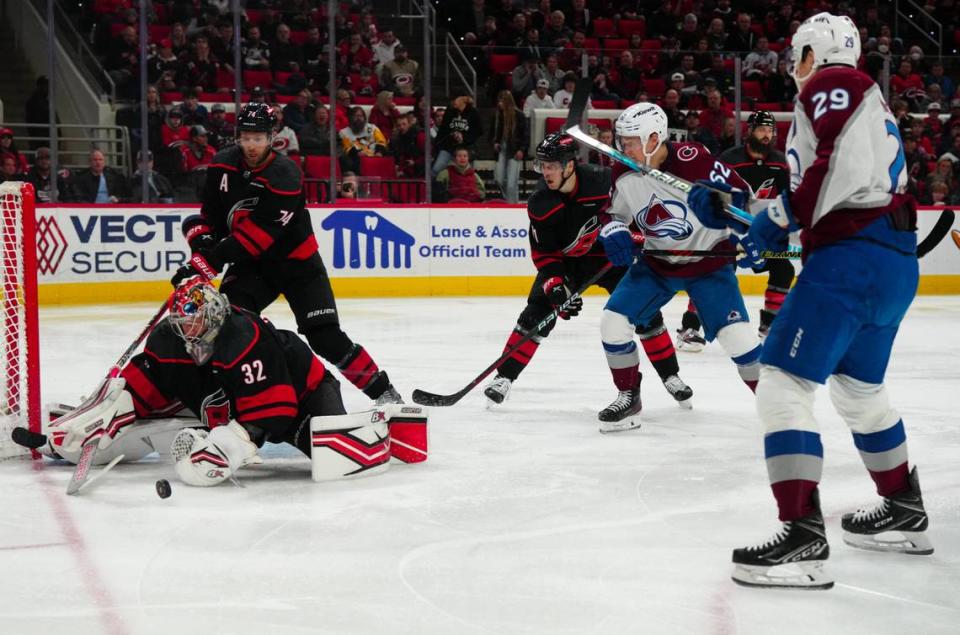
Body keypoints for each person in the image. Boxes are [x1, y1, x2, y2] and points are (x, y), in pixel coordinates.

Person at [688, 13, 932, 590]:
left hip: (852, 260)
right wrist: (748, 218)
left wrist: (781, 215)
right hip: (888, 261)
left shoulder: (833, 83)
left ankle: (802, 535)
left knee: (780, 383)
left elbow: (830, 171)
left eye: (796, 55)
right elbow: (835, 184)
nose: (791, 68)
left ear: (812, 53)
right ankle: (904, 508)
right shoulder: (863, 100)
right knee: (860, 389)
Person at [170, 103, 403, 404]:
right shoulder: (222, 165)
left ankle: (384, 393)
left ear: (271, 138)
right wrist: (200, 244)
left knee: (325, 337)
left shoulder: (285, 174)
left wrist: (208, 261)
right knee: (226, 327)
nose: (251, 146)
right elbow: (210, 217)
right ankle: (229, 397)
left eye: (258, 138)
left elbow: (258, 237)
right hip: (252, 267)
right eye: (246, 137)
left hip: (298, 264)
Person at [483, 132, 693, 414]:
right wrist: (555, 285)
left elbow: (637, 209)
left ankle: (671, 376)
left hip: (611, 259)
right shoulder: (541, 203)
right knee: (536, 314)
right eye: (543, 165)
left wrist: (636, 236)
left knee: (644, 313)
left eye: (552, 165)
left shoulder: (604, 181)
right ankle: (503, 378)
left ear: (570, 165)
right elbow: (545, 253)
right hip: (568, 265)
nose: (546, 172)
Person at [596, 103, 761, 431]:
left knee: (739, 340)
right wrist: (613, 229)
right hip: (657, 265)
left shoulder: (694, 159)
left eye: (628, 141)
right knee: (612, 323)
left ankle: (780, 407)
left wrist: (752, 231)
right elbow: (613, 213)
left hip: (708, 264)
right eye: (620, 140)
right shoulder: (624, 171)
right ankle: (629, 397)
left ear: (653, 138)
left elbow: (744, 198)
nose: (621, 148)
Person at [716, 111, 793, 340]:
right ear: (750, 131)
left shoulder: (780, 161)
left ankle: (769, 325)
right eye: (761, 129)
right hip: (731, 231)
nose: (766, 135)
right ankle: (690, 327)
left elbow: (789, 199)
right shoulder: (730, 159)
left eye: (770, 130)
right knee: (718, 270)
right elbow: (717, 199)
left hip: (766, 232)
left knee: (784, 269)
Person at [490, 90, 528, 203]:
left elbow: (525, 135)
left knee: (512, 183)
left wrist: (521, 150)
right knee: (499, 179)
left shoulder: (519, 115)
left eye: (501, 101)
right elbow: (492, 135)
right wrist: (495, 143)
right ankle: (508, 201)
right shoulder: (497, 116)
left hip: (514, 150)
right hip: (501, 150)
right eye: (499, 101)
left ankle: (512, 206)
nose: (499, 103)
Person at [339, 106, 388, 173]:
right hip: (356, 161)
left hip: (376, 158)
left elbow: (382, 142)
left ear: (364, 118)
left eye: (360, 116)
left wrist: (379, 152)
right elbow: (347, 147)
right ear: (350, 118)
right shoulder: (343, 132)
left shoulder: (373, 128)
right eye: (355, 116)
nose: (358, 118)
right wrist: (357, 154)